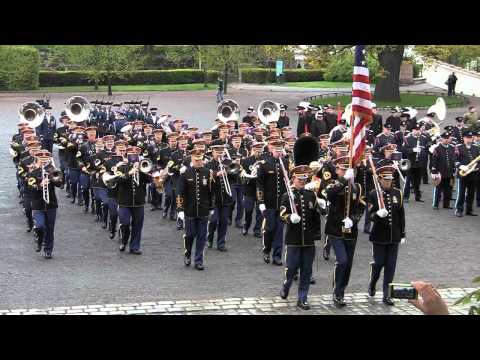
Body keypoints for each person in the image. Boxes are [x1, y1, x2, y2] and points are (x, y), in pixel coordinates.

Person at [278, 165, 322, 310]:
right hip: (294, 239)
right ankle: (286, 285)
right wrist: (290, 217)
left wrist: (317, 233)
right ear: (293, 179)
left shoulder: (311, 195)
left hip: (308, 240)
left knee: (307, 270)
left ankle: (302, 298)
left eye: (304, 178)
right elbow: (282, 214)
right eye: (299, 178)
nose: (302, 181)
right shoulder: (287, 195)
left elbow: (316, 216)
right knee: (291, 268)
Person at [324, 156, 365, 307]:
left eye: (349, 169)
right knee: (342, 261)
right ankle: (336, 292)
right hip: (335, 229)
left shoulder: (358, 187)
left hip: (350, 231)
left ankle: (342, 291)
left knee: (348, 264)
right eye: (343, 169)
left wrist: (353, 220)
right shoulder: (332, 184)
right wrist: (343, 181)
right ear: (337, 170)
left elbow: (361, 206)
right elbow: (330, 194)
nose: (346, 171)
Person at [367, 161, 406, 306]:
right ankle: (372, 283)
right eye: (385, 179)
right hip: (379, 236)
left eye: (390, 179)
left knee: (391, 266)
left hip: (394, 236)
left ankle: (387, 295)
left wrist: (402, 234)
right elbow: (370, 215)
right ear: (380, 179)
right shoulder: (373, 194)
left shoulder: (398, 193)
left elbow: (401, 215)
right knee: (379, 263)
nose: (388, 182)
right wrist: (377, 214)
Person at [177, 149, 214, 270]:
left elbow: (211, 192)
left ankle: (199, 260)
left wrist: (211, 207)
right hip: (189, 210)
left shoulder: (208, 172)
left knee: (202, 236)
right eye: (196, 160)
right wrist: (180, 209)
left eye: (200, 160)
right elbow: (180, 193)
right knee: (190, 234)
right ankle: (187, 252)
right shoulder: (185, 173)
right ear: (192, 159)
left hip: (203, 210)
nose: (198, 162)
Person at [256, 140, 290, 265]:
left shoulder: (286, 163)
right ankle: (267, 249)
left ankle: (277, 256)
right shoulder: (264, 163)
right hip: (268, 202)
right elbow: (259, 183)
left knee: (280, 230)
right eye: (277, 150)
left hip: (281, 203)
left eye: (281, 150)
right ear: (271, 150)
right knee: (269, 228)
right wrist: (260, 201)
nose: (279, 152)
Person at [26, 150, 64, 259]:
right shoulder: (32, 172)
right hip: (38, 204)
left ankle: (48, 250)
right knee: (40, 225)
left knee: (50, 228)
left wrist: (55, 177)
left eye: (45, 159)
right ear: (37, 159)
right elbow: (30, 187)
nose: (43, 161)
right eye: (41, 159)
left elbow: (60, 184)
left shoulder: (52, 170)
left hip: (51, 204)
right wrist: (40, 185)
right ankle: (39, 240)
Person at [116, 146, 150, 254]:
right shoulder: (121, 167)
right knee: (125, 223)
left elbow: (148, 180)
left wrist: (143, 171)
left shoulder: (143, 166)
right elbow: (118, 181)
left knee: (137, 225)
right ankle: (124, 240)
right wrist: (129, 173)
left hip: (139, 201)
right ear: (127, 154)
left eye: (136, 153)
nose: (133, 155)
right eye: (131, 153)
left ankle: (135, 246)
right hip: (124, 201)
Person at [205, 144, 233, 251]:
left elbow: (235, 175)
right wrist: (217, 174)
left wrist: (230, 171)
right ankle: (210, 238)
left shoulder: (228, 163)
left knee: (224, 221)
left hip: (226, 197)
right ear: (213, 153)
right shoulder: (209, 165)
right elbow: (206, 176)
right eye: (217, 152)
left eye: (221, 152)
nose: (220, 154)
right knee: (213, 220)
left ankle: (221, 243)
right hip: (213, 198)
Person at [454, 131, 479, 217]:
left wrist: (477, 167)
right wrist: (461, 166)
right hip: (463, 174)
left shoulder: (476, 147)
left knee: (471, 193)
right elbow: (455, 160)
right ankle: (459, 209)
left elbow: (478, 160)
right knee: (461, 193)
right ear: (464, 138)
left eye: (471, 137)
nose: (470, 139)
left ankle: (469, 210)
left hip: (473, 174)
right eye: (468, 137)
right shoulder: (458, 147)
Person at [403, 124, 430, 202]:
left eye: (418, 130)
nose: (417, 131)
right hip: (410, 162)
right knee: (408, 181)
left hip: (419, 162)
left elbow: (426, 149)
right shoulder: (407, 138)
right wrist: (413, 150)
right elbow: (404, 150)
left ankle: (417, 197)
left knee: (417, 181)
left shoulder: (423, 138)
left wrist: (423, 152)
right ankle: (405, 197)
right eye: (415, 130)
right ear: (412, 130)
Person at [430, 132, 456, 209]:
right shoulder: (437, 149)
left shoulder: (452, 148)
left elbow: (453, 160)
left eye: (448, 138)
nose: (447, 140)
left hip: (449, 172)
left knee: (448, 189)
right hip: (440, 172)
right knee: (438, 189)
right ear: (442, 139)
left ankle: (446, 204)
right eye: (445, 138)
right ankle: (435, 204)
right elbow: (434, 160)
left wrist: (453, 169)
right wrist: (434, 171)